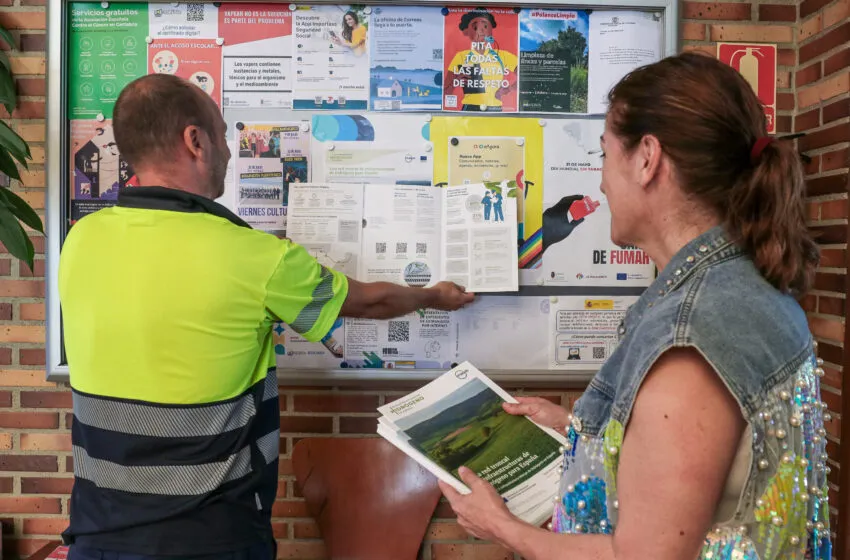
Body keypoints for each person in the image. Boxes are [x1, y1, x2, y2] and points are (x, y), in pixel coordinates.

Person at [57, 73, 474, 560]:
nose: (230, 153)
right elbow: (370, 303)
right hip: (212, 538)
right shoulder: (255, 257)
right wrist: (433, 296)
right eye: (222, 134)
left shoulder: (82, 240)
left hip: (98, 533)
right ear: (195, 141)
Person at [438, 51, 831, 560]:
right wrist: (579, 431)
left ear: (647, 159)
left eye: (604, 153)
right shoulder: (744, 285)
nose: (600, 179)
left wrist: (503, 528)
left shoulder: (690, 337)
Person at [444, 9, 518, 111]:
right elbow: (446, 91)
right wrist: (456, 81)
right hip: (469, 108)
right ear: (467, 32)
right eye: (475, 27)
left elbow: (527, 77)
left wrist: (508, 89)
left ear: (491, 31)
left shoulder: (503, 55)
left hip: (494, 108)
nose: (481, 30)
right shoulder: (460, 57)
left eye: (485, 26)